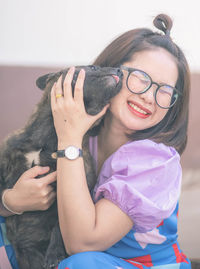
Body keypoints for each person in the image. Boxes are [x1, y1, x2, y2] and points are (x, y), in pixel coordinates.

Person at [0, 14, 191, 269]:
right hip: (61, 258)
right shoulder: (83, 131)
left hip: (135, 265)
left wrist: (70, 139)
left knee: (83, 263)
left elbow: (83, 244)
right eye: (140, 78)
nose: (149, 96)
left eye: (165, 90)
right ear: (113, 73)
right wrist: (10, 202)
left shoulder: (156, 161)